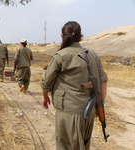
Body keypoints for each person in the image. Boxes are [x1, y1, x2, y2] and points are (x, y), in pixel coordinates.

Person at [41, 21, 108, 150]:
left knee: (65, 146)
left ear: (62, 37)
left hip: (69, 113)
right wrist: (101, 105)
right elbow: (103, 82)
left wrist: (45, 98)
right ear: (80, 36)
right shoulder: (92, 55)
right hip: (89, 111)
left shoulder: (60, 56)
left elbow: (45, 84)